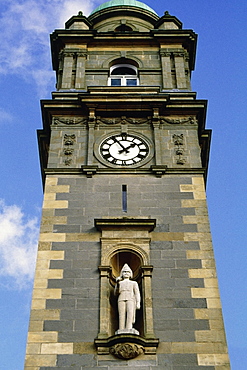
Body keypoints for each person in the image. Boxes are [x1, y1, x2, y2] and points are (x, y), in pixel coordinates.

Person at [114, 263, 141, 331]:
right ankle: (121, 328)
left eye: (128, 272)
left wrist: (138, 302)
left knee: (130, 313)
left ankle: (129, 328)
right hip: (121, 298)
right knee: (121, 314)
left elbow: (137, 293)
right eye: (124, 272)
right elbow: (116, 293)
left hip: (131, 299)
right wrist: (117, 284)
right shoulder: (119, 283)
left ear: (131, 273)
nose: (126, 273)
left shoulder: (134, 283)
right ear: (121, 273)